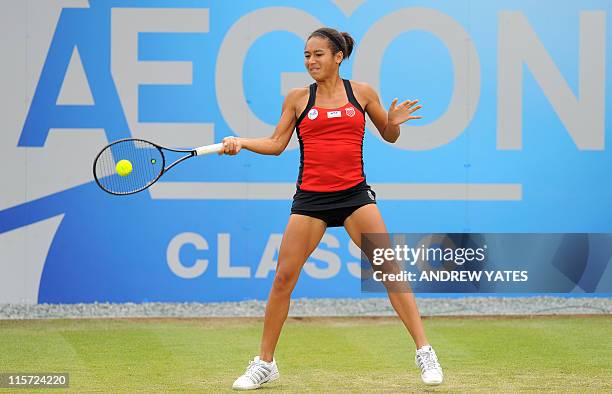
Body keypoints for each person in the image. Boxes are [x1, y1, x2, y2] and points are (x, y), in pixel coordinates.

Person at [222, 27, 444, 390]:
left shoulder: (362, 93)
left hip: (354, 195)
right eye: (307, 55)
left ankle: (425, 353)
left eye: (318, 54)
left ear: (338, 57)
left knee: (389, 269)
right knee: (283, 279)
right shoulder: (297, 99)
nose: (311, 61)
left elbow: (388, 135)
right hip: (311, 199)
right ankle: (265, 363)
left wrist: (395, 124)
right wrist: (242, 142)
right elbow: (277, 144)